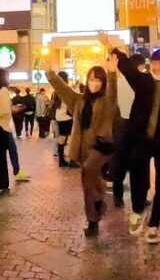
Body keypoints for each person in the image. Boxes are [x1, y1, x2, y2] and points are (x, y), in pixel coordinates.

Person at [101, 36, 160, 244]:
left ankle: (154, 225)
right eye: (155, 62)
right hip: (142, 137)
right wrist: (110, 47)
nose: (157, 66)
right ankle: (137, 209)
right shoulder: (144, 81)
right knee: (137, 169)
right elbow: (127, 66)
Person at [44, 58, 118, 236]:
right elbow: (62, 89)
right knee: (86, 185)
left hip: (101, 146)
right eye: (92, 79)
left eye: (99, 80)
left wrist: (112, 73)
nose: (94, 83)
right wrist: (49, 73)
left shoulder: (107, 101)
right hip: (82, 146)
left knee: (90, 168)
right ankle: (93, 220)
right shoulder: (79, 100)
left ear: (103, 83)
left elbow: (113, 92)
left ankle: (100, 198)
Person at [109, 53, 142, 208]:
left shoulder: (122, 82)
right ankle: (135, 197)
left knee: (121, 164)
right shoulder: (137, 82)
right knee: (134, 164)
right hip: (128, 125)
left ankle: (119, 196)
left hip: (123, 125)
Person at [0, 69, 27, 184]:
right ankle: (11, 174)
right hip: (1, 127)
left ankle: (8, 174)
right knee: (5, 152)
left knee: (3, 152)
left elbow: (2, 109)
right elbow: (3, 110)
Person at [52, 73, 75, 168]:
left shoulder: (56, 90)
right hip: (67, 117)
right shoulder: (65, 89)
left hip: (59, 117)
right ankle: (71, 160)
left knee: (61, 139)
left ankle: (61, 161)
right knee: (71, 139)